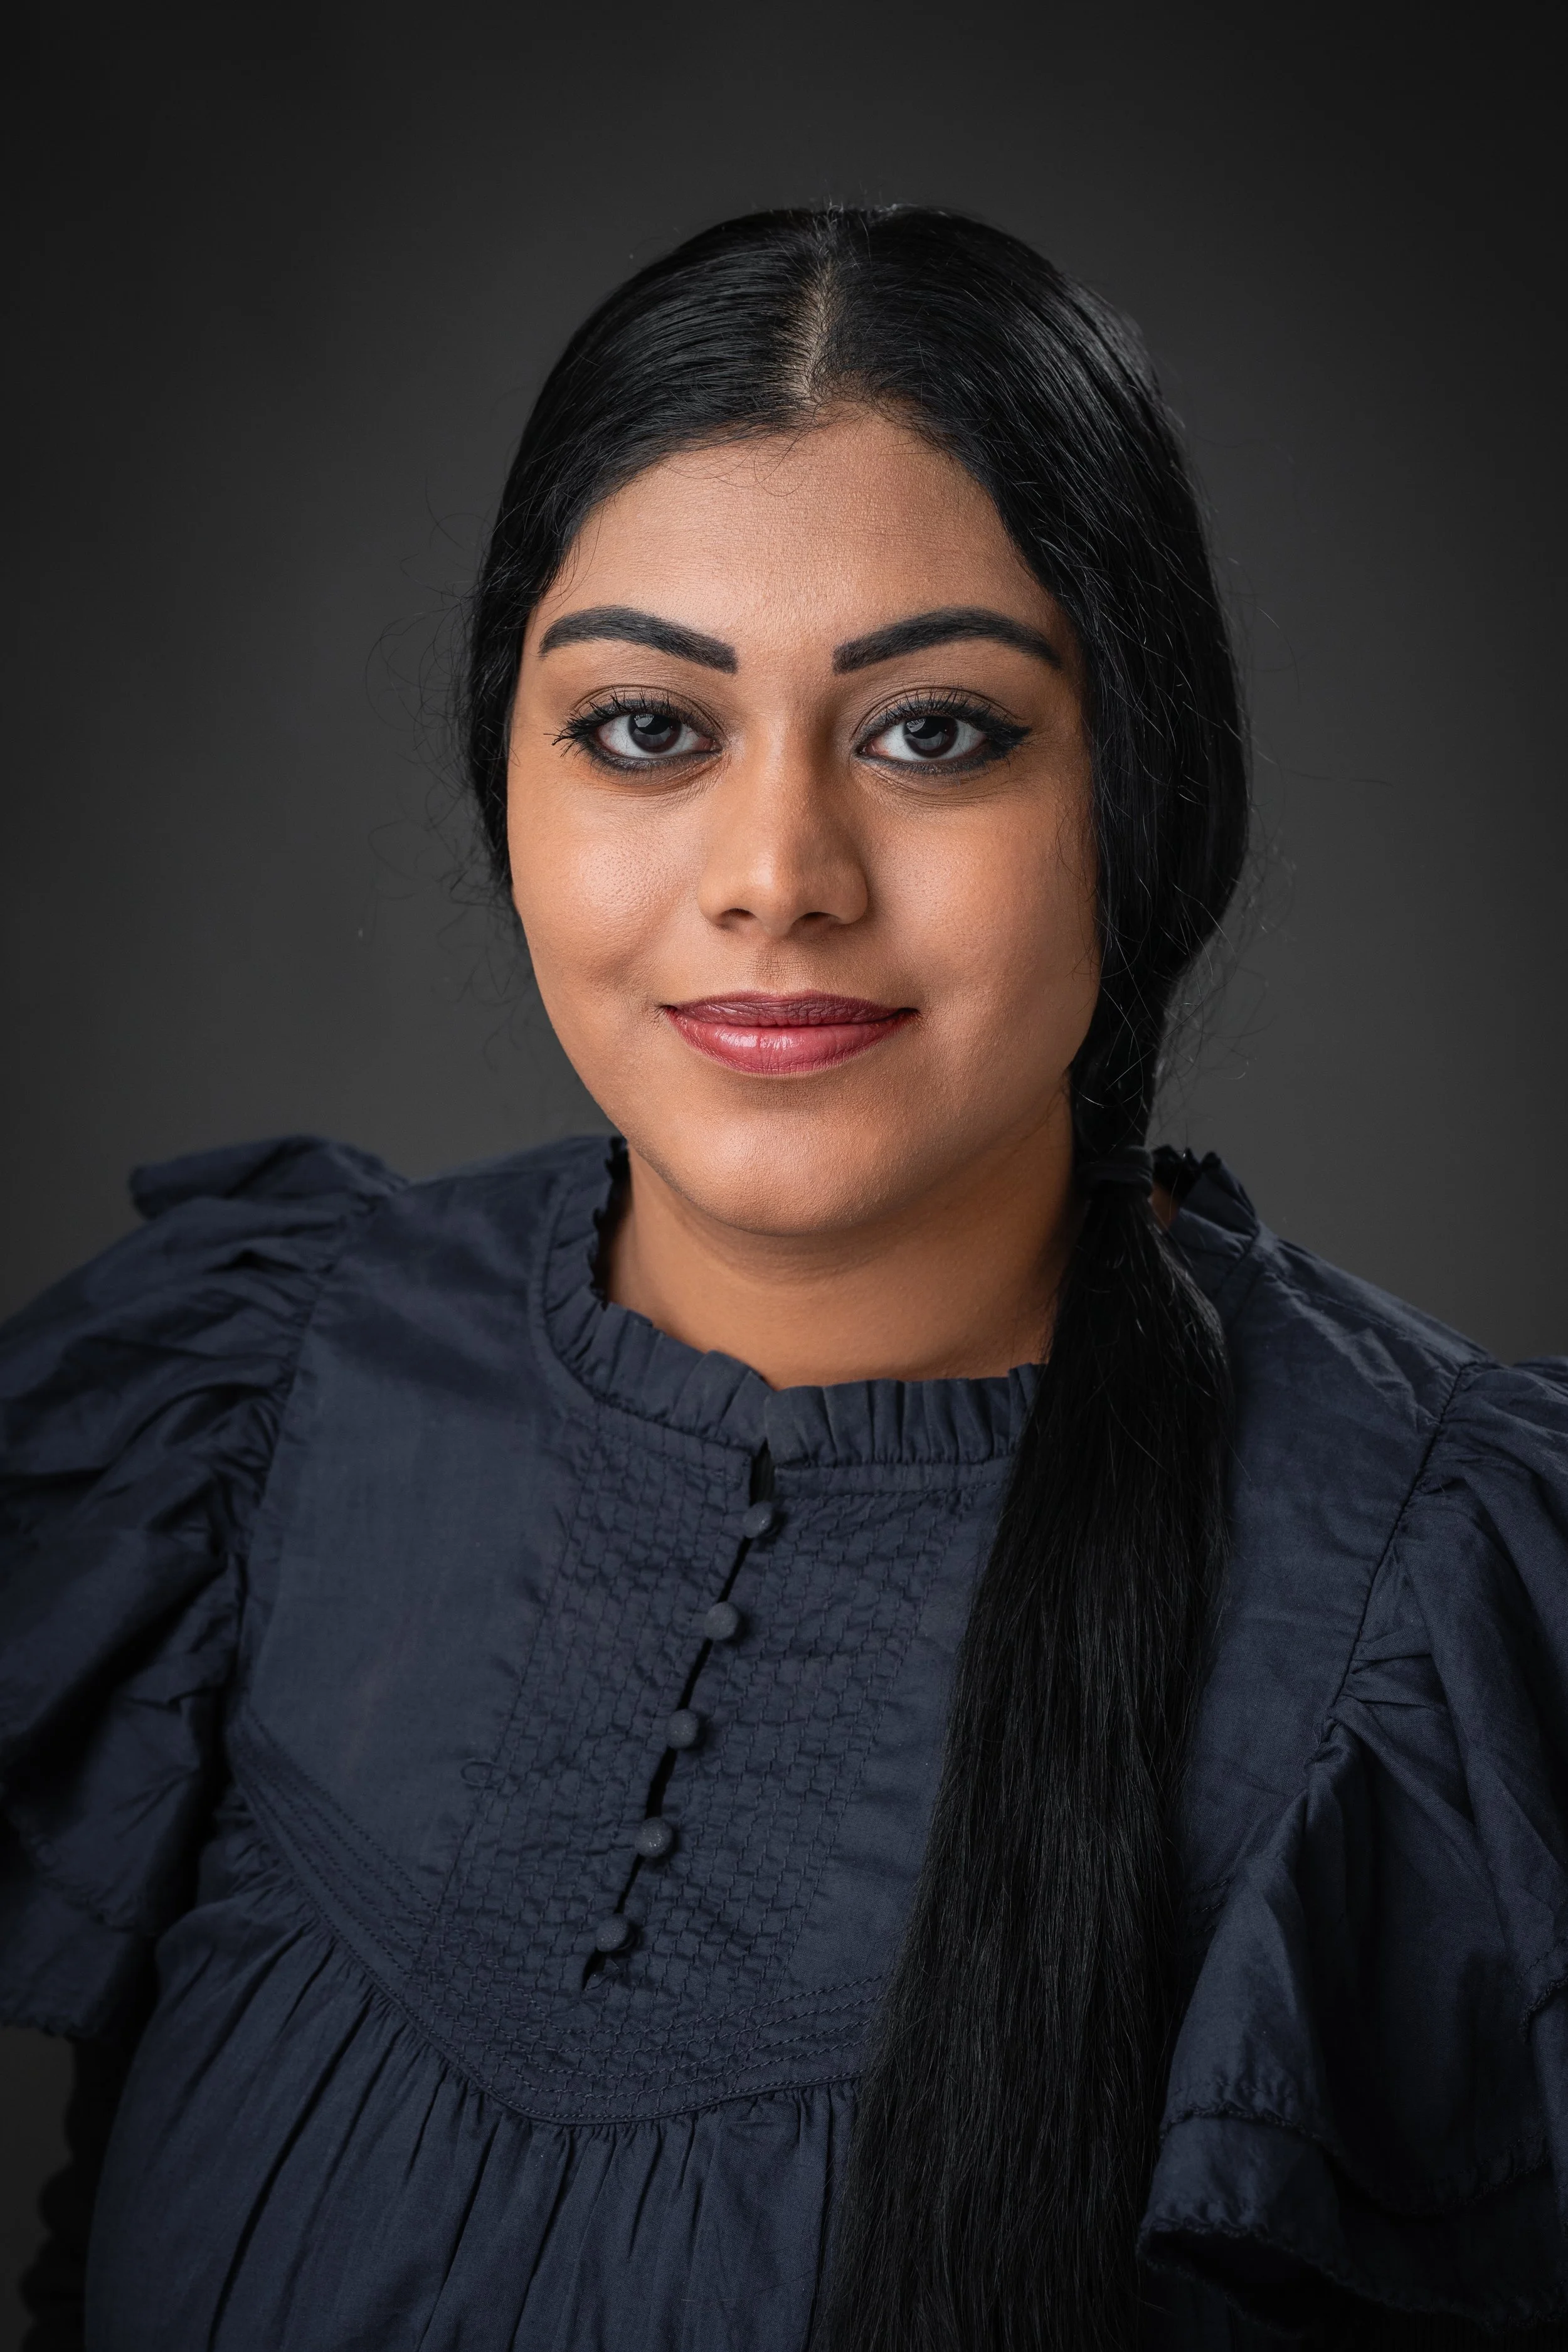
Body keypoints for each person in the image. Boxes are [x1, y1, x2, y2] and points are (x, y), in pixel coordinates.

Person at [2, 205, 1565, 2352]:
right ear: (511, 775)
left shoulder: (1438, 1616)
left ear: (1142, 783)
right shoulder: (251, 1401)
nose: (773, 880)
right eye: (647, 727)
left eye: (935, 731)